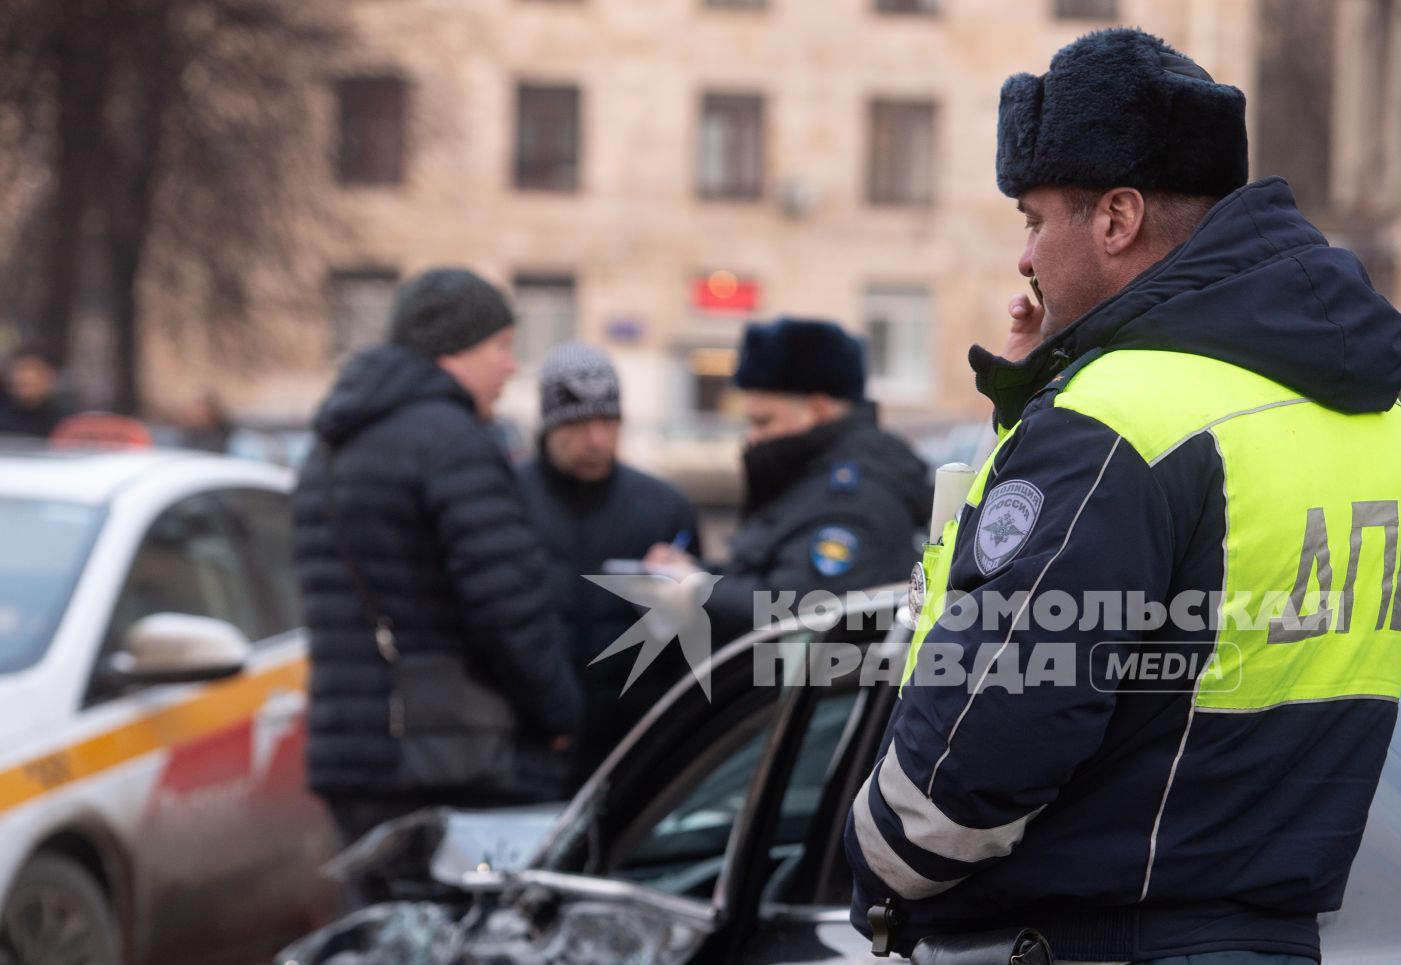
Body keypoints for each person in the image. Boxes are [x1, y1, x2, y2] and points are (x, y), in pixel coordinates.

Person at [842, 29, 1401, 965]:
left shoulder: (1121, 414)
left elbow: (986, 737)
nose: (1025, 250)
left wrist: (877, 861)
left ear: (1115, 216)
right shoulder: (1353, 408)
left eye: (1037, 214)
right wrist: (1044, 394)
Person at [292, 267, 580, 847]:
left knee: (379, 925)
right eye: (500, 346)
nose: (511, 365)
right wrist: (559, 715)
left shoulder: (329, 446)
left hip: (351, 749)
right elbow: (507, 609)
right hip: (451, 753)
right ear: (451, 351)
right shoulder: (453, 444)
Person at [641, 318, 931, 639]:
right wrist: (696, 572)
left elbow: (799, 608)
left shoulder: (854, 497)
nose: (751, 437)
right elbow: (771, 570)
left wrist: (697, 590)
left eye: (763, 422)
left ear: (818, 408)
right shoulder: (810, 473)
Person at [517, 340, 703, 784]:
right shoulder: (506, 500)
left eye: (608, 422)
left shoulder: (662, 507)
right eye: (579, 425)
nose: (597, 439)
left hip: (633, 753)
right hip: (527, 749)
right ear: (547, 427)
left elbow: (695, 638)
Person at [0, 345, 68, 439]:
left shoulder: (67, 419)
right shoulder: (3, 412)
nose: (24, 378)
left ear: (52, 375)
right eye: (19, 369)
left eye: (33, 370)